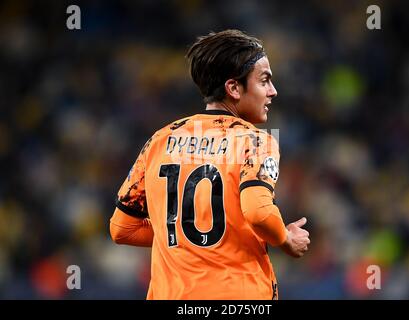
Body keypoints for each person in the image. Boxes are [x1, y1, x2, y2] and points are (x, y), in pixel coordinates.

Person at [109, 29, 310, 300]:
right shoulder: (254, 142)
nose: (273, 91)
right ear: (234, 88)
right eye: (264, 81)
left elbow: (123, 229)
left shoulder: (160, 140)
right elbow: (259, 212)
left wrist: (181, 233)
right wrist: (285, 239)